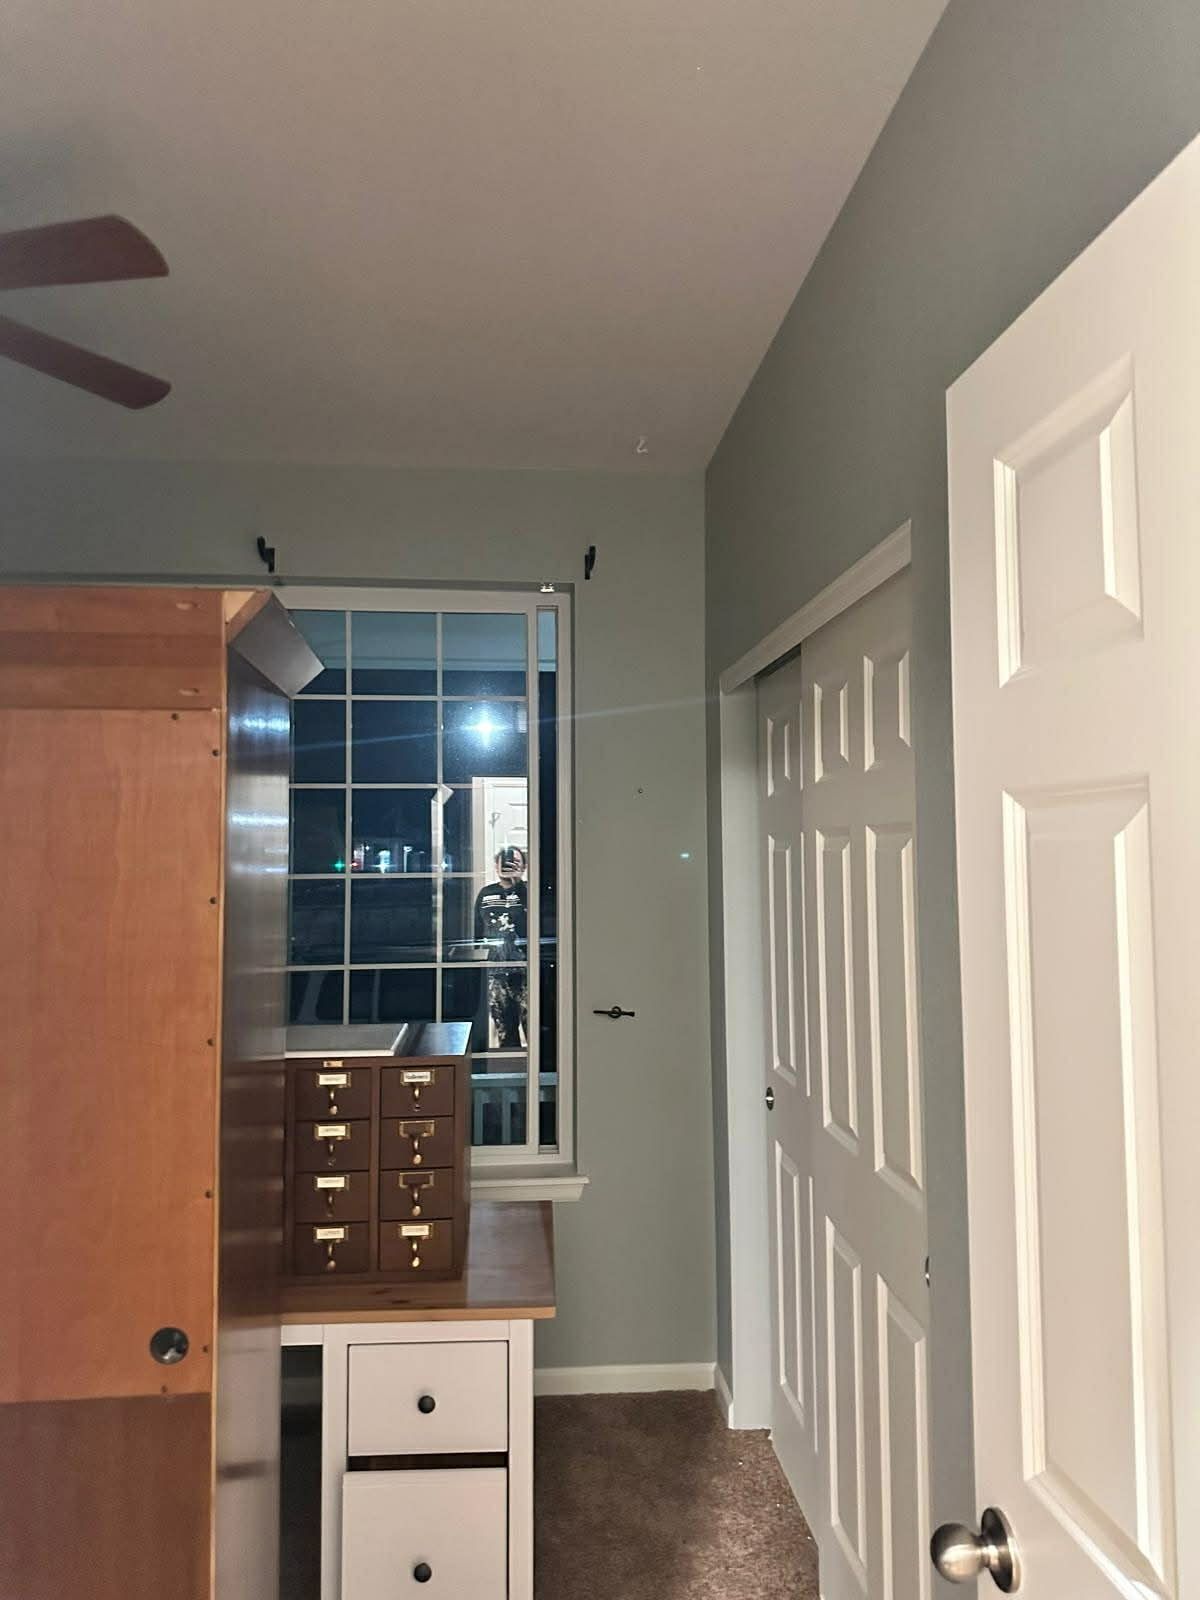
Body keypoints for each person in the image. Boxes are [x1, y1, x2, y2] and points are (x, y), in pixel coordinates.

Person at [473, 846, 528, 1048]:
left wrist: (518, 884)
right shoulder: (486, 894)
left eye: (515, 862)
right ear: (496, 866)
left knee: (534, 1027)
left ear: (523, 867)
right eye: (504, 862)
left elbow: (536, 923)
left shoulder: (528, 891)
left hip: (526, 971)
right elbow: (476, 930)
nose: (509, 866)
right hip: (495, 972)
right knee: (504, 1030)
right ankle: (511, 1075)